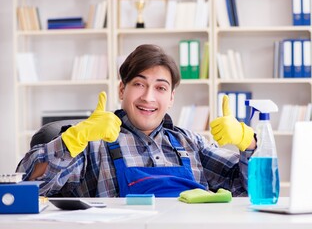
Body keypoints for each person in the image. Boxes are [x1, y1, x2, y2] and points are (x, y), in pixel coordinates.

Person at [16, 44, 257, 198]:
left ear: (171, 98)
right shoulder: (93, 143)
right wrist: (73, 138)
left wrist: (249, 144)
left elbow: (251, 189)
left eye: (160, 88)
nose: (148, 97)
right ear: (122, 90)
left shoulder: (191, 143)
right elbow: (26, 183)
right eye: (139, 84)